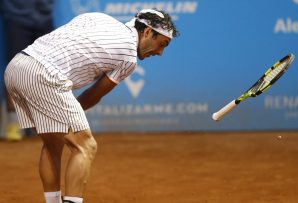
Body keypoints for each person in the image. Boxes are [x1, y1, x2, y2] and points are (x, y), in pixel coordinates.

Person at [4, 9, 179, 203]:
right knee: (86, 146)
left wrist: (63, 114)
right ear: (147, 32)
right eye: (161, 44)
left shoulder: (98, 17)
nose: (160, 52)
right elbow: (92, 96)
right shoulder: (128, 57)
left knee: (53, 143)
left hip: (16, 68)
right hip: (43, 75)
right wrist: (70, 110)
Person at [1, 0, 54, 141]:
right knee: (14, 68)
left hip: (45, 15)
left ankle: (44, 123)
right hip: (16, 15)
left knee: (45, 69)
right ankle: (13, 123)